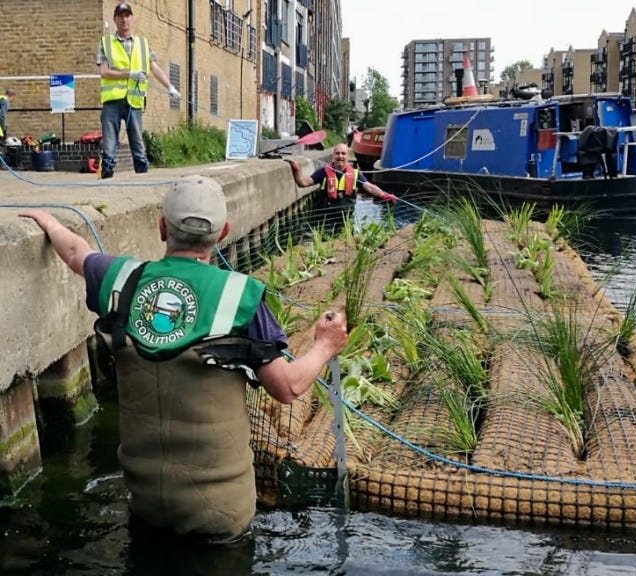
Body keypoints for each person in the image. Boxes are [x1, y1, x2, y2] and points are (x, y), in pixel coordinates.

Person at [19, 174, 348, 545]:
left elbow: (76, 254)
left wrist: (47, 221)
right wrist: (324, 345)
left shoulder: (121, 279)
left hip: (145, 510)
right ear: (223, 232)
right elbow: (287, 387)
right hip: (220, 522)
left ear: (162, 228)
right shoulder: (239, 296)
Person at [97, 3, 182, 179]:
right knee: (109, 145)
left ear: (131, 18)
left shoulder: (143, 44)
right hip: (112, 102)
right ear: (115, 19)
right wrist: (129, 74)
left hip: (134, 102)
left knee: (137, 144)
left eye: (127, 16)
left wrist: (170, 87)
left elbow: (155, 68)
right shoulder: (105, 43)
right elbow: (104, 72)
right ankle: (105, 184)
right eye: (120, 16)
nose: (124, 20)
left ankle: (142, 181)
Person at [288, 142, 397, 207]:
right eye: (337, 153)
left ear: (348, 156)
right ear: (333, 155)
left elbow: (369, 187)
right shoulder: (324, 171)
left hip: (345, 222)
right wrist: (296, 170)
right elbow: (303, 183)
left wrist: (383, 194)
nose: (340, 156)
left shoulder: (355, 174)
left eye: (343, 153)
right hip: (325, 222)